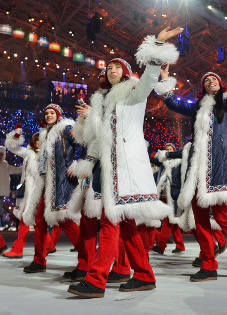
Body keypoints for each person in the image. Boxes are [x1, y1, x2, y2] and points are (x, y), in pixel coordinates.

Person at [67, 26, 180, 298]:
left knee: (109, 221)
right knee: (127, 226)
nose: (111, 70)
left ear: (127, 73)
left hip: (126, 167)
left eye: (116, 67)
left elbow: (151, 75)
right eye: (108, 68)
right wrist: (90, 161)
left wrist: (157, 43)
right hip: (108, 168)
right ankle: (144, 275)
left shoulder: (134, 93)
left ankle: (96, 280)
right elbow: (97, 139)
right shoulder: (103, 101)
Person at [153, 32, 227, 282]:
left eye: (214, 79)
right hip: (197, 170)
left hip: (221, 167)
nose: (210, 81)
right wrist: (165, 78)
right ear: (202, 87)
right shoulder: (196, 108)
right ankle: (209, 265)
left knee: (222, 215)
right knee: (199, 218)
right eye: (207, 80)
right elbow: (172, 104)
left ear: (220, 85)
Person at [22, 103, 81, 273]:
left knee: (65, 220)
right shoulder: (44, 134)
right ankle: (39, 260)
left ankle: (89, 257)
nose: (48, 115)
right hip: (45, 183)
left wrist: (77, 164)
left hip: (61, 182)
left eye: (52, 113)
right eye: (46, 113)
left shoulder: (67, 128)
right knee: (40, 221)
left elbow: (84, 145)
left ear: (58, 115)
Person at [2, 127, 56, 258]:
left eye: (41, 140)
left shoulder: (49, 155)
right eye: (37, 140)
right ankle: (49, 245)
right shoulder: (28, 153)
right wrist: (16, 135)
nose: (39, 143)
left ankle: (17, 249)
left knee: (26, 220)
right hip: (28, 192)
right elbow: (12, 147)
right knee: (33, 220)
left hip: (39, 192)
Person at [151, 143, 186, 254]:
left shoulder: (179, 163)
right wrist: (160, 154)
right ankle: (180, 245)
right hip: (162, 195)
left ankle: (161, 245)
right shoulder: (162, 163)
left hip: (173, 195)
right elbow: (153, 158)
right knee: (172, 221)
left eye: (171, 150)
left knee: (168, 220)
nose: (169, 152)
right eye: (167, 150)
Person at [0, 145, 22, 230]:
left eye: (1, 154)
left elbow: (16, 170)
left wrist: (25, 168)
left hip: (0, 195)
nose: (0, 155)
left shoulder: (5, 165)